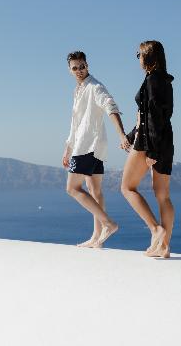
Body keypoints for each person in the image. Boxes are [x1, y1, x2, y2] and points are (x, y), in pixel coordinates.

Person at [62, 50, 129, 248]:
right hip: (93, 145)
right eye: (75, 68)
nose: (79, 70)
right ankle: (96, 237)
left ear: (87, 65)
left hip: (87, 146)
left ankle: (108, 224)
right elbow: (75, 123)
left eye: (82, 66)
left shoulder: (95, 87)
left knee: (72, 188)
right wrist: (67, 148)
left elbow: (111, 108)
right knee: (95, 190)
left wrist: (122, 134)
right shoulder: (78, 89)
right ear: (70, 70)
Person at [120, 40, 175, 258]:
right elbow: (153, 116)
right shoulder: (165, 80)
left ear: (148, 56)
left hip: (148, 142)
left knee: (127, 188)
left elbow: (153, 118)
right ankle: (164, 247)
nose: (138, 59)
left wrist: (151, 151)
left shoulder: (152, 80)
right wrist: (130, 135)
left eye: (139, 55)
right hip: (164, 141)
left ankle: (155, 229)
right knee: (163, 195)